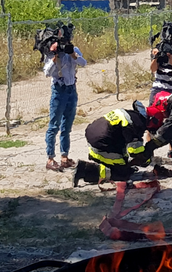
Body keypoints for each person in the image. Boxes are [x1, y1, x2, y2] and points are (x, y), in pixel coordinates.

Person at [72, 101, 152, 186]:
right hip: (102, 143)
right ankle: (83, 170)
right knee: (121, 174)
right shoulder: (137, 124)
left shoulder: (128, 114)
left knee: (122, 162)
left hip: (95, 136)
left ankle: (100, 162)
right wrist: (146, 160)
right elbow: (135, 151)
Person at [43, 42, 87, 172]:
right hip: (59, 90)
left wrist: (73, 54)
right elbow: (46, 72)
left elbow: (83, 63)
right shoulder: (51, 53)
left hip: (71, 90)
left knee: (66, 126)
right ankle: (50, 159)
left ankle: (64, 157)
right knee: (54, 125)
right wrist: (54, 58)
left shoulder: (73, 50)